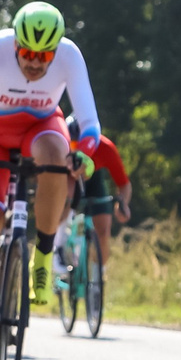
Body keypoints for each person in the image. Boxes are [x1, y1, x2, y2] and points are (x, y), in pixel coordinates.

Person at [0, 2, 103, 360]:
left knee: (55, 155)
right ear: (16, 45)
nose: (34, 64)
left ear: (56, 50)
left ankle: (43, 257)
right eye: (27, 55)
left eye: (43, 56)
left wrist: (85, 153)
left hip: (39, 126)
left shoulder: (70, 56)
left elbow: (90, 122)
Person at [61, 113, 131, 272]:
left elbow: (124, 184)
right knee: (64, 201)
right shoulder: (61, 145)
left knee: (104, 229)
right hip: (69, 178)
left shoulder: (106, 147)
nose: (77, 149)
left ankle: (98, 273)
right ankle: (60, 243)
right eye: (72, 144)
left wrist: (123, 204)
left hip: (94, 180)